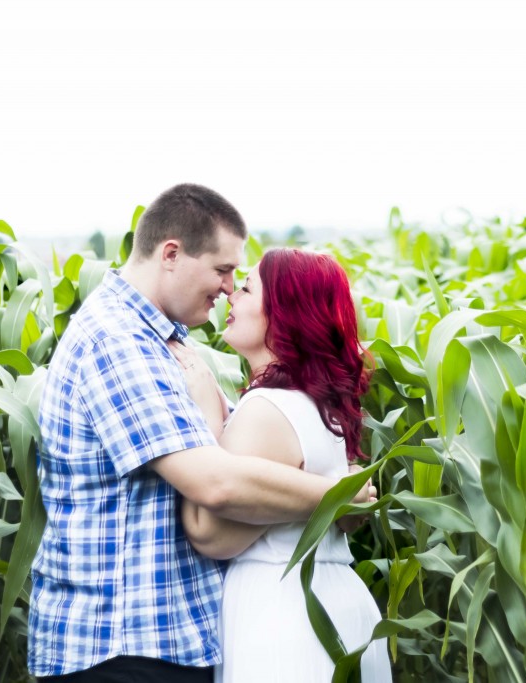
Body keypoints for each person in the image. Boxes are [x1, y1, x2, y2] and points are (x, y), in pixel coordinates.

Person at [28, 184, 375, 683]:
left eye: (239, 278)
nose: (229, 288)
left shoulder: (166, 345)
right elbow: (217, 483)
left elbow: (247, 459)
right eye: (222, 270)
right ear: (171, 254)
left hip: (165, 642)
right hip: (120, 646)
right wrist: (342, 492)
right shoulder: (117, 342)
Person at [171, 247, 391, 682]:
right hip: (336, 607)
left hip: (283, 619)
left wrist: (206, 416)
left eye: (248, 288)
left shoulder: (268, 409)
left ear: (283, 315)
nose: (231, 294)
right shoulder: (320, 406)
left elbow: (210, 532)